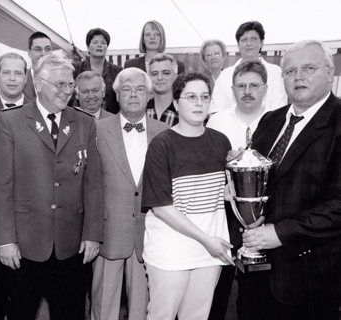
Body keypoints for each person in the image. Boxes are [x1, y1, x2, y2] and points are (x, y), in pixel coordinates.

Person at [0, 54, 103, 320]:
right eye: (59, 84)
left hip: (71, 246)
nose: (67, 91)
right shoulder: (11, 122)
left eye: (70, 84)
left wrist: (92, 234)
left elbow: (93, 184)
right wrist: (6, 240)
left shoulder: (84, 123)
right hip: (25, 246)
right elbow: (1, 186)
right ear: (38, 84)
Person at [238, 40, 341, 320]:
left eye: (308, 68)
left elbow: (338, 206)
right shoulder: (270, 121)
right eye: (290, 71)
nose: (298, 76)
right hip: (256, 275)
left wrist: (279, 233)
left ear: (330, 72)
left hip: (310, 280)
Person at [142, 72, 234, 320]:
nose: (199, 103)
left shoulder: (221, 142)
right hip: (172, 252)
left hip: (210, 252)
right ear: (176, 103)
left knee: (197, 317)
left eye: (205, 97)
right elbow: (161, 207)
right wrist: (206, 239)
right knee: (162, 315)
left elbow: (222, 194)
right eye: (191, 97)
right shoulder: (161, 145)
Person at [92, 68, 168, 320]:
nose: (133, 94)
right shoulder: (97, 130)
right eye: (126, 89)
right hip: (107, 232)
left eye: (139, 89)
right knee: (104, 307)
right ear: (115, 95)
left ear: (148, 94)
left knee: (142, 309)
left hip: (149, 233)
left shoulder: (166, 132)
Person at [206, 60, 268, 320]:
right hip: (224, 214)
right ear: (232, 89)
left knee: (257, 292)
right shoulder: (217, 121)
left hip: (264, 218)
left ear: (265, 88)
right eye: (241, 85)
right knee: (220, 285)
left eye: (254, 85)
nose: (247, 91)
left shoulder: (278, 119)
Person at [0, 52, 29, 320]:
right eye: (7, 72)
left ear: (26, 77)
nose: (12, 78)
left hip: (29, 215)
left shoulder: (38, 111)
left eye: (18, 72)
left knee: (24, 289)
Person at [210, 21, 287, 114]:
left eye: (253, 39)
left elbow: (279, 110)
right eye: (244, 40)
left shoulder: (275, 72)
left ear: (261, 43)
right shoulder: (225, 75)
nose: (248, 43)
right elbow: (216, 110)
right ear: (238, 45)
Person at [73, 28, 122, 114]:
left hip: (111, 118)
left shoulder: (117, 71)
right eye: (95, 42)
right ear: (88, 47)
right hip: (81, 118)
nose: (99, 45)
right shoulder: (76, 69)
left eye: (103, 43)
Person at [146, 53, 179, 127]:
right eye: (154, 74)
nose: (160, 78)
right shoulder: (142, 110)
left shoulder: (183, 111)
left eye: (166, 73)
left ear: (175, 76)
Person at [23, 31, 52, 101]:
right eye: (38, 49)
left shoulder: (61, 80)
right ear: (29, 53)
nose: (43, 54)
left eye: (48, 49)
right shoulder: (22, 80)